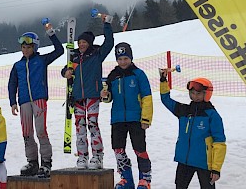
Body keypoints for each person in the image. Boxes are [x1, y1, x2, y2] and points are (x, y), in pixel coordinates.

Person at [8, 23, 64, 178]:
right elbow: (12, 83)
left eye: (28, 47)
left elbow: (60, 50)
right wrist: (13, 102)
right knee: (26, 133)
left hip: (39, 100)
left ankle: (46, 162)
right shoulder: (18, 65)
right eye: (23, 47)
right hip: (24, 101)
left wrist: (51, 34)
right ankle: (32, 162)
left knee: (40, 131)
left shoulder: (41, 60)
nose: (25, 50)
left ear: (35, 47)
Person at [61, 14, 114, 170]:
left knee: (92, 124)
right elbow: (67, 69)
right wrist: (65, 72)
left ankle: (97, 156)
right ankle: (82, 156)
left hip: (92, 95)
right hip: (77, 97)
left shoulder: (97, 54)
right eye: (80, 42)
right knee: (80, 126)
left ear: (90, 43)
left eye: (84, 42)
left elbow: (109, 43)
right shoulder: (75, 57)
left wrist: (107, 25)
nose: (82, 44)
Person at [159, 70, 227, 189]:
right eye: (192, 93)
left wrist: (216, 169)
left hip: (204, 164)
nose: (195, 96)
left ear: (206, 94)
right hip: (184, 161)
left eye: (199, 93)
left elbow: (219, 143)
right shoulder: (184, 111)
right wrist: (163, 81)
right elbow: (166, 100)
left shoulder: (212, 115)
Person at [101, 42, 153, 189]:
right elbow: (108, 98)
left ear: (131, 58)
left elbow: (147, 97)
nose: (123, 62)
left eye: (125, 58)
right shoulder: (113, 76)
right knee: (118, 149)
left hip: (136, 118)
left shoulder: (138, 74)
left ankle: (145, 179)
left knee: (139, 149)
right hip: (117, 119)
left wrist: (146, 118)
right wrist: (104, 95)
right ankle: (126, 179)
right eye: (120, 59)